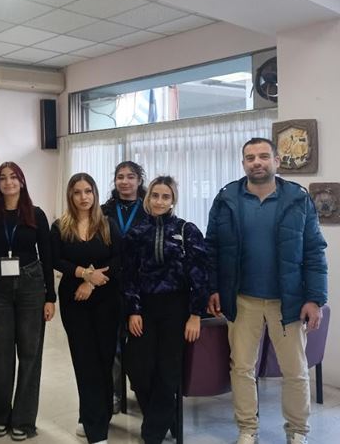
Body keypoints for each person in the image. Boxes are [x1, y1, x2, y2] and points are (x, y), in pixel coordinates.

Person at [205, 137, 328, 444]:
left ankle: (297, 431)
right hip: (242, 300)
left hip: (288, 301)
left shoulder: (297, 199)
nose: (256, 162)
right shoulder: (226, 198)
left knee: (295, 371)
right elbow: (212, 248)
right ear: (243, 163)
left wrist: (315, 298)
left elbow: (314, 250)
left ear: (276, 161)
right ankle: (247, 429)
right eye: (250, 158)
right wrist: (213, 288)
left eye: (263, 156)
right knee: (242, 368)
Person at [123, 175, 209, 444]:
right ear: (148, 198)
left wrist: (195, 314)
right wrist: (133, 310)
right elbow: (129, 275)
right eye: (155, 196)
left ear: (173, 200)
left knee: (168, 369)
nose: (159, 201)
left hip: (176, 307)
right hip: (145, 308)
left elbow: (200, 274)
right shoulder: (136, 233)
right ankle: (166, 415)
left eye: (165, 197)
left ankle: (152, 433)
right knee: (137, 367)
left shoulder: (187, 230)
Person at [50, 173, 122, 444]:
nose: (83, 197)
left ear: (95, 194)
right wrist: (84, 274)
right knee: (85, 361)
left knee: (104, 360)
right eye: (77, 192)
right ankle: (96, 430)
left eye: (88, 191)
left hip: (106, 299)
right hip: (75, 301)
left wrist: (91, 282)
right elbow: (55, 259)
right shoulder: (60, 226)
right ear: (70, 195)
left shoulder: (108, 224)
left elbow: (119, 259)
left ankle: (96, 415)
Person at [0, 162, 56, 441]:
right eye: (3, 178)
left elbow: (47, 256)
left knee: (30, 354)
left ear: (22, 181)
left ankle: (24, 420)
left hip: (31, 284)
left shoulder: (36, 214)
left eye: (13, 177)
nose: (8, 182)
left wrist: (50, 296)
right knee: (0, 355)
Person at [100, 160, 148, 419]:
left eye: (130, 176)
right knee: (113, 344)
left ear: (139, 181)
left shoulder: (150, 208)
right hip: (111, 284)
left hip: (142, 286)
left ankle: (142, 390)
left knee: (139, 342)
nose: (125, 181)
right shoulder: (103, 211)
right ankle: (114, 393)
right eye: (120, 176)